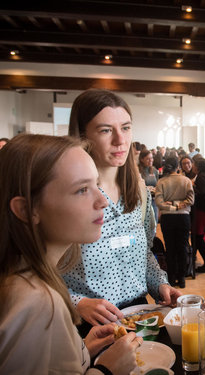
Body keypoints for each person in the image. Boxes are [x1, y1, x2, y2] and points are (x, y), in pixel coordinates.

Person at [0, 134, 141, 374]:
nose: (102, 201)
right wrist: (108, 370)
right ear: (26, 209)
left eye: (97, 184)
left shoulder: (29, 280)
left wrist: (82, 349)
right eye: (82, 190)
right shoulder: (34, 300)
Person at [63, 89, 181, 332]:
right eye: (106, 130)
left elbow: (145, 251)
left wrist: (160, 284)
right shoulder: (67, 196)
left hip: (140, 316)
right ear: (82, 136)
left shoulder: (137, 191)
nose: (120, 140)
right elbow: (39, 269)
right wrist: (78, 303)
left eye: (126, 128)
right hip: (90, 324)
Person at [155, 157, 194, 288]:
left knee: (170, 248)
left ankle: (171, 277)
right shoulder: (186, 180)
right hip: (183, 217)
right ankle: (182, 278)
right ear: (178, 166)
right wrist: (179, 205)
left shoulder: (161, 181)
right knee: (182, 247)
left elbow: (158, 202)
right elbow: (191, 200)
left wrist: (171, 205)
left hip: (167, 217)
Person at [139, 148, 159, 221]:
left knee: (154, 223)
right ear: (142, 159)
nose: (151, 160)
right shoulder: (137, 171)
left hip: (153, 201)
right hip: (142, 201)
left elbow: (157, 184)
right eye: (148, 159)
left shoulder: (154, 170)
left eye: (151, 158)